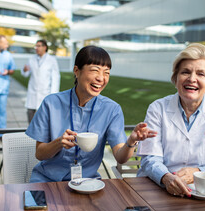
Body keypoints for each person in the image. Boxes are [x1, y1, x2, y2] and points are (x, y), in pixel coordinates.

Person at [25, 45, 157, 182]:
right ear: (77, 71)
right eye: (95, 70)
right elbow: (39, 154)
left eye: (107, 73)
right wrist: (59, 142)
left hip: (87, 183)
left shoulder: (112, 110)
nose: (101, 78)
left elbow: (120, 157)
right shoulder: (51, 103)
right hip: (47, 180)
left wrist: (131, 141)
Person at [136, 43, 205, 197]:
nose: (192, 79)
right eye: (185, 72)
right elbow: (150, 158)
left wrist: (200, 171)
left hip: (204, 193)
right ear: (175, 78)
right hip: (157, 189)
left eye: (201, 74)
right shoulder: (157, 108)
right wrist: (166, 177)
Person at [21, 39, 61, 123]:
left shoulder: (52, 60)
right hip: (32, 92)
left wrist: (53, 94)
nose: (36, 48)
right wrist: (24, 70)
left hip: (45, 93)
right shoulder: (32, 58)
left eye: (39, 46)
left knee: (43, 119)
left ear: (45, 47)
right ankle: (30, 135)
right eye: (36, 46)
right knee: (30, 116)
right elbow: (26, 74)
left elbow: (55, 78)